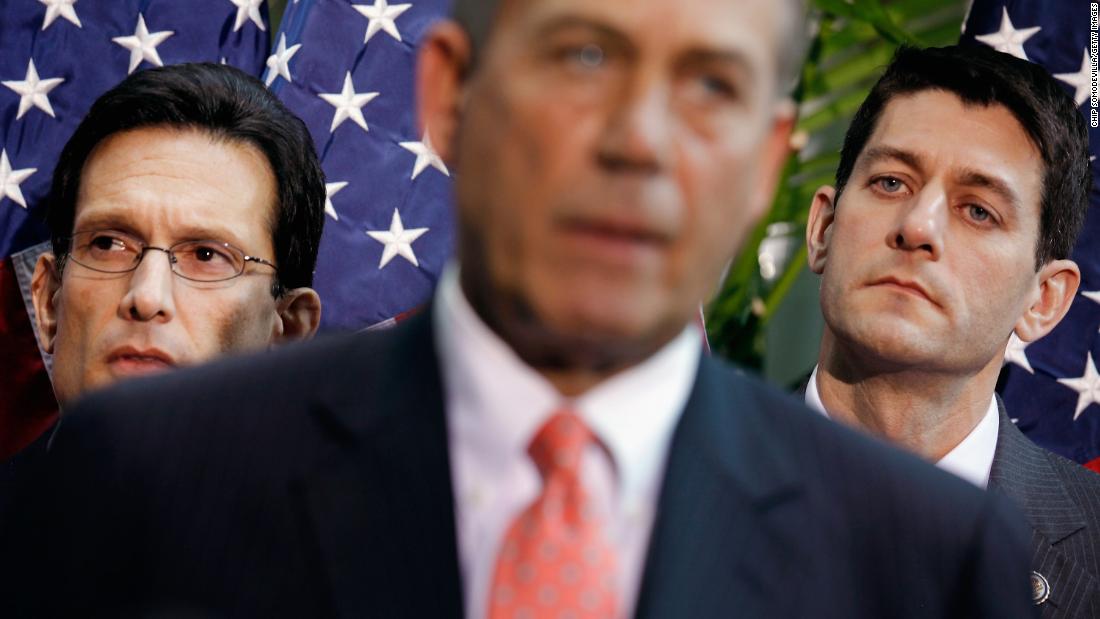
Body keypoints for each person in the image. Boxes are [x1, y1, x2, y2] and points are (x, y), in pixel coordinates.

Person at [5, 3, 1034, 617]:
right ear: (449, 96)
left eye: (707, 89)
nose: (634, 142)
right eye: (577, 64)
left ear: (764, 160)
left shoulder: (924, 558)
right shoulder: (142, 477)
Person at [804, 45, 1100, 617]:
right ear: (823, 228)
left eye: (978, 210)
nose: (918, 227)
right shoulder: (654, 491)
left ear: (1043, 300)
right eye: (891, 182)